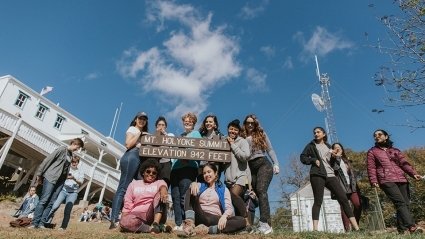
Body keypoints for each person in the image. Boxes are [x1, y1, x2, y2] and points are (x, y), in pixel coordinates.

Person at [300, 127, 360, 232]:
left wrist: (335, 156)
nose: (316, 134)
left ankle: (357, 228)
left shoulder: (329, 146)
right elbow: (302, 157)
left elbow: (332, 163)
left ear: (324, 134)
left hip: (331, 175)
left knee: (344, 199)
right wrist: (313, 160)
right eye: (314, 132)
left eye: (318, 132)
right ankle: (315, 230)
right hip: (317, 174)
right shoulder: (311, 145)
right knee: (318, 201)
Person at [367, 129, 423, 234]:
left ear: (386, 136)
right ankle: (412, 227)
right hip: (386, 180)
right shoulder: (372, 151)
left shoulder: (395, 150)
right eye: (375, 135)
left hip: (402, 179)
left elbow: (404, 163)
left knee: (405, 204)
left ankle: (401, 230)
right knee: (400, 202)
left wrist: (413, 173)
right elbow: (371, 167)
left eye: (379, 134)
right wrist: (373, 180)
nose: (377, 136)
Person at [177, 163, 246, 237]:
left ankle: (207, 229)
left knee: (241, 221)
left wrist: (224, 216)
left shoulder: (223, 190)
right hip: (200, 215)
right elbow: (191, 193)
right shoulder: (200, 185)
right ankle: (189, 224)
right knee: (190, 190)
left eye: (209, 172)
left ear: (215, 173)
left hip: (215, 219)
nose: (206, 175)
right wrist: (193, 183)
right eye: (204, 173)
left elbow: (229, 208)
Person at [29, 138, 84, 229]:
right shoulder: (61, 149)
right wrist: (39, 174)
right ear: (74, 143)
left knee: (51, 203)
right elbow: (47, 160)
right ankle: (35, 223)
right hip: (51, 178)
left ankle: (41, 224)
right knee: (44, 200)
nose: (77, 150)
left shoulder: (70, 155)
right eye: (77, 147)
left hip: (60, 182)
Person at [240, 114, 279, 234]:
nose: (250, 124)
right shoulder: (242, 136)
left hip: (263, 164)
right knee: (252, 194)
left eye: (252, 122)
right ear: (245, 124)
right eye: (248, 122)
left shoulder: (261, 134)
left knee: (261, 190)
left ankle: (265, 223)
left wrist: (276, 163)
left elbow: (270, 149)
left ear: (255, 124)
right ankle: (251, 225)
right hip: (250, 168)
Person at [110, 112, 149, 229]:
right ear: (136, 119)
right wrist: (140, 134)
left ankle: (137, 217)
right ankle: (114, 219)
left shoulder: (145, 133)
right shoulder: (133, 129)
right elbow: (128, 144)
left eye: (144, 119)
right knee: (123, 187)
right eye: (140, 118)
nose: (142, 121)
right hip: (131, 156)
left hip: (140, 160)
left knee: (142, 188)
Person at [119, 159, 170, 234]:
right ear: (143, 172)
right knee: (124, 221)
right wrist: (125, 219)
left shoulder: (159, 182)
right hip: (136, 215)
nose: (151, 174)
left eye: (154, 173)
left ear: (157, 175)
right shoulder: (133, 184)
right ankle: (150, 228)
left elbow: (163, 186)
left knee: (159, 194)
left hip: (152, 214)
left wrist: (163, 189)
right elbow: (128, 202)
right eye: (148, 171)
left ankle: (156, 224)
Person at [170, 112, 201, 231]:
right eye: (185, 121)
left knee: (184, 196)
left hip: (188, 168)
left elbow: (198, 151)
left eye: (190, 121)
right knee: (175, 196)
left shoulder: (196, 134)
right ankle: (178, 223)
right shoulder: (181, 136)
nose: (187, 122)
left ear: (193, 123)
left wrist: (187, 157)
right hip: (175, 169)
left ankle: (186, 222)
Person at [222, 119, 252, 228]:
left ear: (238, 131)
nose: (233, 131)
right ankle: (241, 226)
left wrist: (233, 145)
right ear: (228, 129)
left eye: (235, 130)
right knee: (232, 202)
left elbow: (245, 157)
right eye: (231, 129)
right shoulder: (224, 142)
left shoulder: (242, 141)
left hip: (241, 176)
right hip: (228, 179)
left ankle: (246, 219)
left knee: (233, 195)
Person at [46, 155, 84, 230]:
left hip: (73, 193)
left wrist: (74, 178)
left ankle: (63, 227)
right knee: (54, 206)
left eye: (75, 162)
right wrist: (65, 177)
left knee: (68, 209)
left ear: (78, 163)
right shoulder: (67, 168)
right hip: (63, 190)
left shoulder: (80, 171)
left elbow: (81, 182)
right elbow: (60, 177)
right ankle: (46, 221)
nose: (73, 163)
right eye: (72, 162)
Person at [331, 143, 362, 232]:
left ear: (342, 149)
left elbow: (351, 174)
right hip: (340, 186)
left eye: (339, 147)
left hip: (351, 186)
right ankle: (348, 229)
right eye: (335, 148)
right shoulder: (331, 160)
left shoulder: (346, 160)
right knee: (344, 207)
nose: (337, 148)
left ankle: (355, 224)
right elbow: (335, 168)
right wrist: (337, 157)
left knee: (358, 204)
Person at [198, 114, 225, 181]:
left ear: (215, 124)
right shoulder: (201, 136)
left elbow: (224, 153)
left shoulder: (220, 136)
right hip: (201, 168)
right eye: (206, 122)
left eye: (210, 122)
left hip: (214, 168)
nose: (208, 123)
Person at [154, 116, 174, 187]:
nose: (161, 126)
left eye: (163, 125)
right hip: (156, 163)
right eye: (159, 125)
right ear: (156, 126)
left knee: (164, 183)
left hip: (166, 163)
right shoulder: (153, 137)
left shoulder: (170, 135)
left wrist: (164, 134)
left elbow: (173, 145)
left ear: (165, 127)